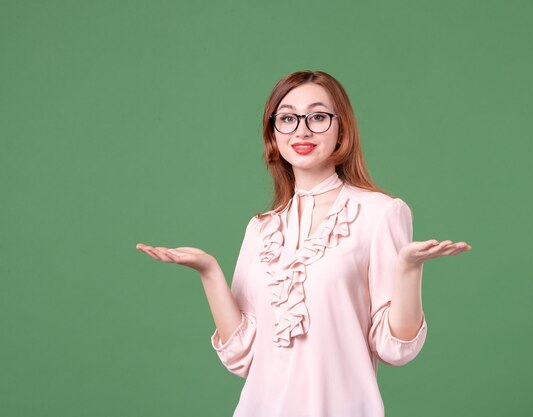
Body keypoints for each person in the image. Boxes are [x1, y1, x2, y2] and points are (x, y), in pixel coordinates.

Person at [136, 70, 471, 417]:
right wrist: (208, 272)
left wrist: (408, 270)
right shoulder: (260, 229)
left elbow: (396, 348)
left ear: (342, 127)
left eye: (318, 116)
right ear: (273, 132)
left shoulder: (381, 212)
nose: (302, 129)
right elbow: (242, 356)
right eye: (288, 118)